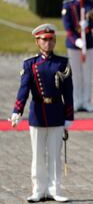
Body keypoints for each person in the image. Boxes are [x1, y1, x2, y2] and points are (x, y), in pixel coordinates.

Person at [10, 24, 73, 203]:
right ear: (37, 41)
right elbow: (24, 89)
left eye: (51, 39)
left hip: (56, 113)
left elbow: (68, 92)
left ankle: (54, 189)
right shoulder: (30, 64)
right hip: (37, 113)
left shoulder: (62, 63)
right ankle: (38, 190)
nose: (48, 43)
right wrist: (17, 111)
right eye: (44, 40)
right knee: (37, 155)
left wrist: (69, 116)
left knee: (54, 155)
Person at [62, 0, 93, 112]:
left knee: (88, 74)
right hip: (74, 45)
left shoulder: (92, 5)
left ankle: (86, 101)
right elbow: (67, 28)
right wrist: (76, 41)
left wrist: (89, 23)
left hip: (88, 44)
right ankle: (76, 100)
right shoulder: (68, 5)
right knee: (76, 75)